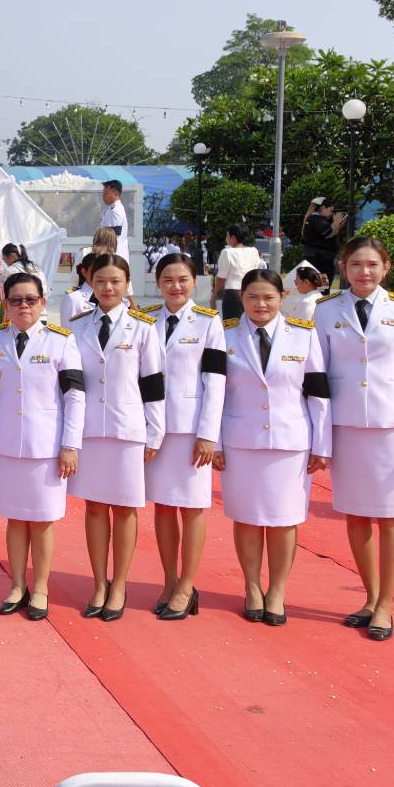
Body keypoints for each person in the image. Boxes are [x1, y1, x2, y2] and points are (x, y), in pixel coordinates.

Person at [314, 237, 394, 641]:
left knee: (391, 515)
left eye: (372, 265)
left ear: (387, 267)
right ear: (343, 268)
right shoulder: (326, 311)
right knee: (356, 514)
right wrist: (320, 437)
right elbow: (318, 376)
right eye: (355, 265)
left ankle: (386, 604)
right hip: (346, 427)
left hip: (392, 428)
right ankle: (369, 597)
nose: (363, 272)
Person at [218, 268, 331, 625]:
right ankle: (252, 587)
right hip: (241, 442)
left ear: (282, 298)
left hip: (290, 443)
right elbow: (215, 396)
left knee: (284, 521)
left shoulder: (303, 336)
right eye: (252, 297)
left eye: (268, 297)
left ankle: (277, 590)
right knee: (248, 519)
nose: (260, 304)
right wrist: (215, 441)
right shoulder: (224, 337)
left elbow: (318, 393)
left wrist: (322, 444)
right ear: (242, 300)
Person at [0, 272, 85, 620]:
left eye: (30, 299)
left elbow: (75, 397)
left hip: (47, 446)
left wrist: (70, 444)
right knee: (15, 518)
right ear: (5, 304)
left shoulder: (61, 341)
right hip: (7, 444)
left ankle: (40, 586)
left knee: (41, 520)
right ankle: (16, 584)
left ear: (43, 302)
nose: (23, 306)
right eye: (16, 300)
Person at [68, 252, 165, 620]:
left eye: (116, 282)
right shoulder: (77, 327)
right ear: (90, 283)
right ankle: (98, 583)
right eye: (101, 281)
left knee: (125, 508)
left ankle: (119, 583)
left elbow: (153, 384)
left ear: (127, 285)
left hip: (128, 429)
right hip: (90, 429)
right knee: (94, 508)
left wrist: (154, 434)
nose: (108, 288)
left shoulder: (142, 327)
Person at [140, 254, 225, 621]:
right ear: (158, 283)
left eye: (183, 279)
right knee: (162, 507)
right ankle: (169, 579)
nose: (176, 286)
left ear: (195, 282)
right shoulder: (146, 322)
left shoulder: (209, 323)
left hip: (192, 431)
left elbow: (216, 382)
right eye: (168, 279)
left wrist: (209, 435)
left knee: (192, 509)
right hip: (157, 429)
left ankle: (188, 585)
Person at [212, 224, 263, 321]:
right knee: (250, 325)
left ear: (233, 238)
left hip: (233, 295)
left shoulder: (228, 252)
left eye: (227, 236)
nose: (226, 239)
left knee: (233, 328)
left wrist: (214, 295)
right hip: (250, 293)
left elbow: (222, 278)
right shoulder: (253, 251)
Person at [299, 198, 344, 280]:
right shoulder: (316, 219)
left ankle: (322, 292)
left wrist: (338, 224)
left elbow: (330, 235)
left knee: (320, 286)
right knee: (322, 286)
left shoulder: (315, 219)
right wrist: (336, 221)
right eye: (331, 211)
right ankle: (323, 293)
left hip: (319, 257)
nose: (332, 214)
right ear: (323, 208)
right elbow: (327, 232)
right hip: (319, 258)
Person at [59, 254, 98, 327]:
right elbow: (67, 330)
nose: (100, 274)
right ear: (84, 272)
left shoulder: (111, 297)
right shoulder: (73, 298)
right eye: (95, 270)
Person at [99, 180, 130, 261]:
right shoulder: (113, 209)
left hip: (114, 258)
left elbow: (112, 238)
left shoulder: (115, 211)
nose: (103, 196)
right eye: (103, 193)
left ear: (116, 194)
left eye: (106, 193)